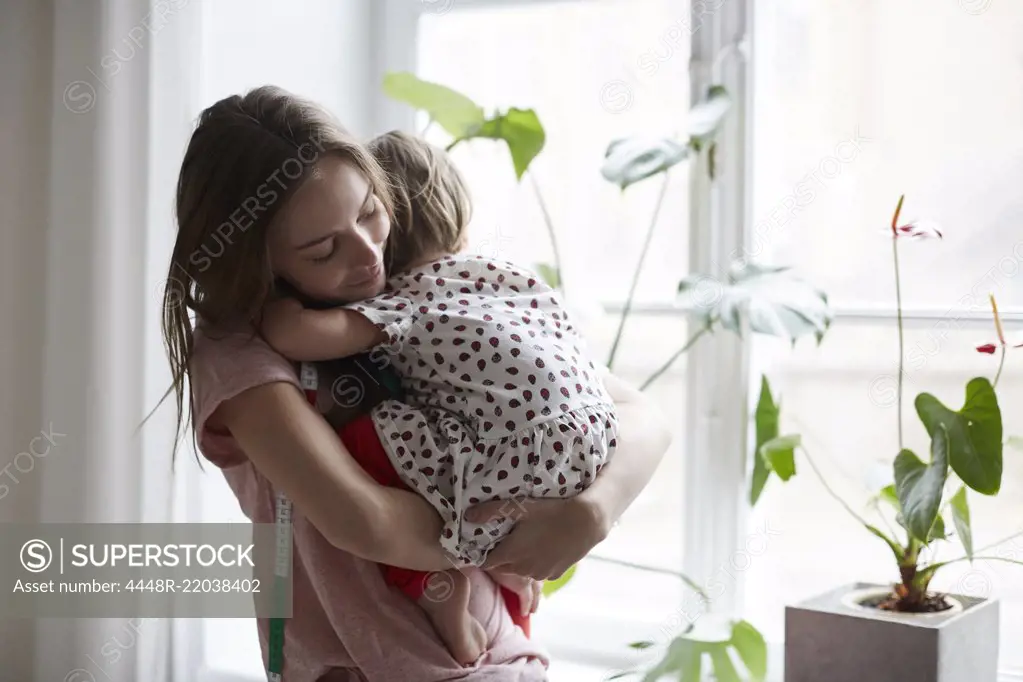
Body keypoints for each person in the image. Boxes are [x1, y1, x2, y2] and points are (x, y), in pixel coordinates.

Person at [162, 85, 671, 682]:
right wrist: (515, 535)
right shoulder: (239, 355)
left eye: (371, 211)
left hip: (501, 653)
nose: (369, 254)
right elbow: (366, 521)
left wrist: (591, 511)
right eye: (325, 249)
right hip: (367, 665)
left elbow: (643, 415)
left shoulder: (413, 290)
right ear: (256, 262)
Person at [259, 130, 619, 665]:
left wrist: (277, 312)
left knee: (365, 430)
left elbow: (298, 338)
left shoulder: (404, 300)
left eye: (368, 217)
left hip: (512, 459)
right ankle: (512, 568)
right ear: (461, 217)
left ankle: (438, 591)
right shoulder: (506, 275)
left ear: (391, 234)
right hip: (594, 439)